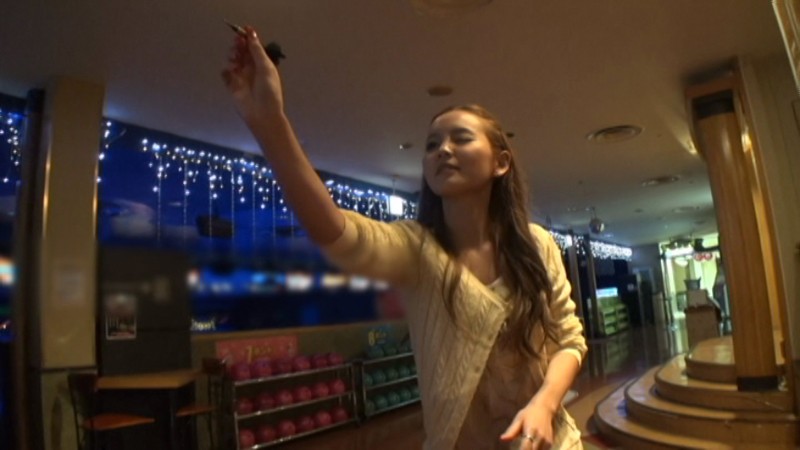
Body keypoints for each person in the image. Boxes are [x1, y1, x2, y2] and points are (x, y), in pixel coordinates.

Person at [222, 27, 587, 450]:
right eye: (432, 145)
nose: (443, 150)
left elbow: (569, 340)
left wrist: (544, 403)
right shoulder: (417, 250)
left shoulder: (537, 245)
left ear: (500, 162)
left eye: (461, 138)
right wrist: (270, 122)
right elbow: (336, 231)